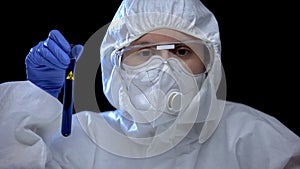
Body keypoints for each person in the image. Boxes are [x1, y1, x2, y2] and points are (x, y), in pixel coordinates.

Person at [0, 0, 299, 168]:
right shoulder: (83, 139)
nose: (163, 66)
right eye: (144, 51)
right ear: (115, 62)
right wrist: (30, 103)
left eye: (181, 51)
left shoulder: (249, 137)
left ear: (208, 66)